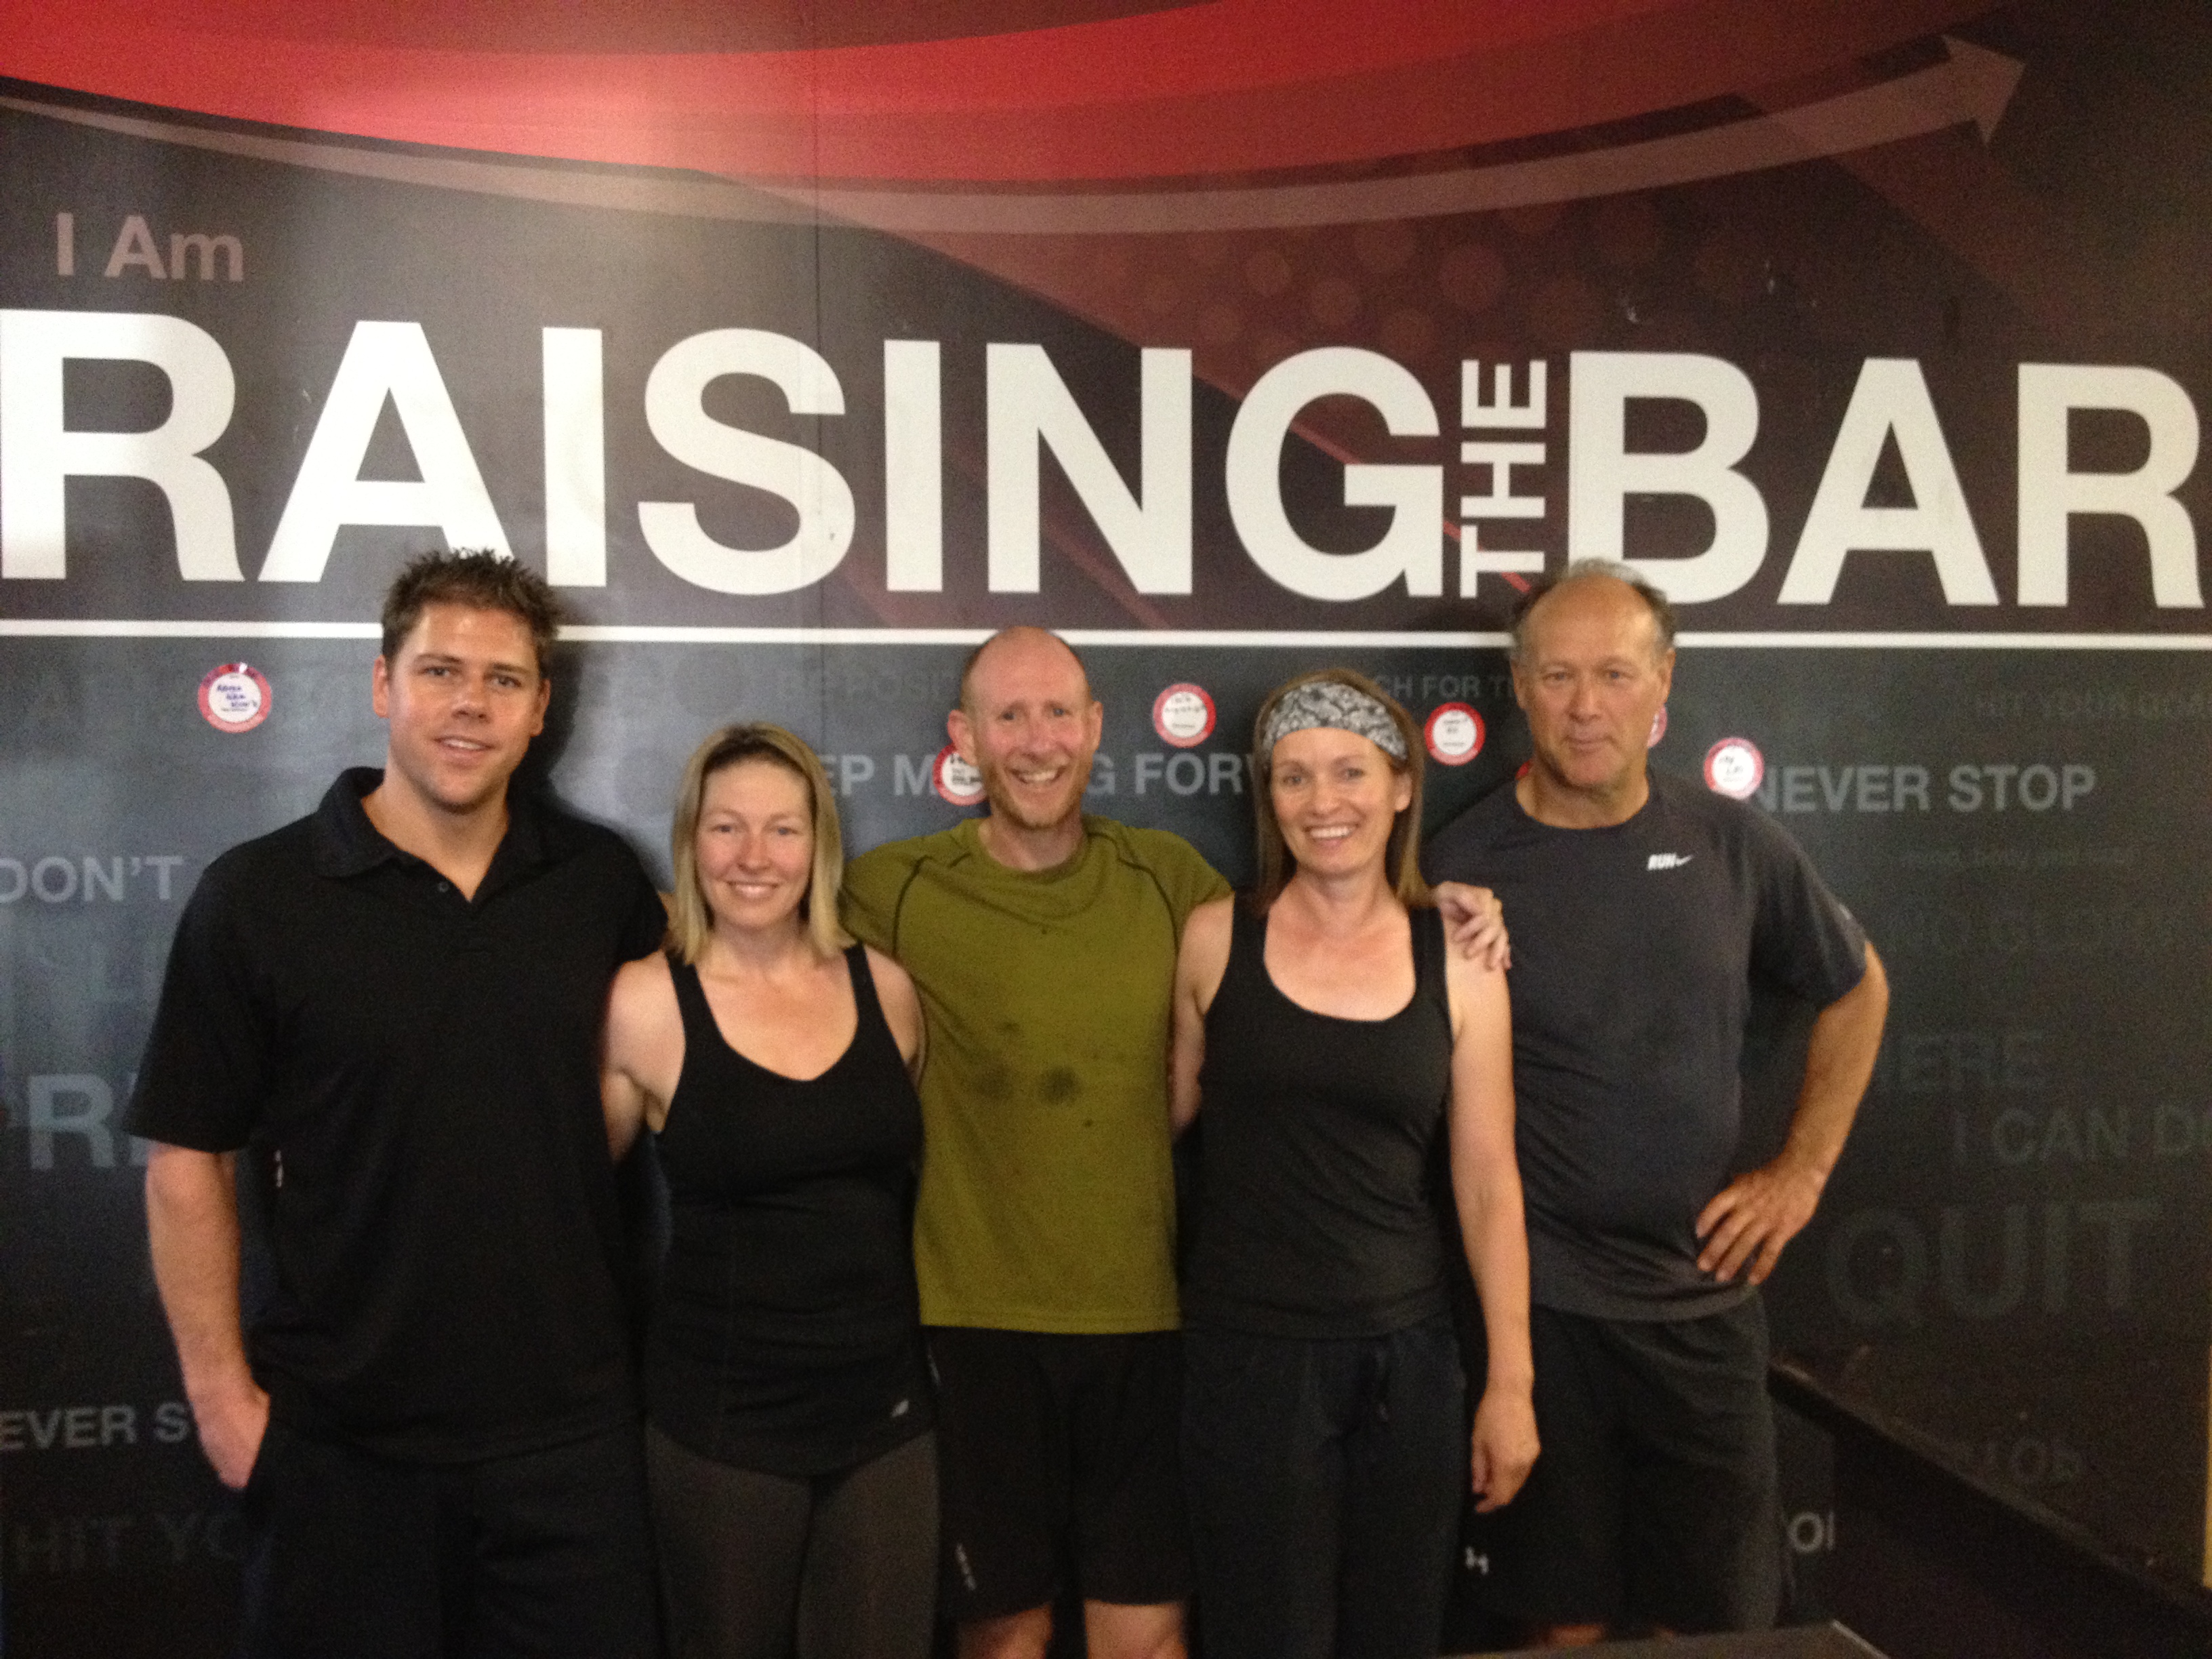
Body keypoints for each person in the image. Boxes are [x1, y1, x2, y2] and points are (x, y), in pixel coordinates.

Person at [840, 627, 1509, 1659]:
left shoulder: (1171, 883)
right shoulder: (891, 888)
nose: (1036, 741)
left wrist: (1447, 906)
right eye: (1008, 716)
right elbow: (754, 928)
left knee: (1156, 1640)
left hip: (1155, 1323)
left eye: (1058, 713)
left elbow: (1324, 917)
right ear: (963, 738)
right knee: (1006, 1637)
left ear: (1095, 728)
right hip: (979, 1324)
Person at [129, 550, 666, 1658]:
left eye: (503, 680)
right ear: (383, 684)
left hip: (567, 1448)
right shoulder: (259, 896)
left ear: (540, 708)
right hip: (342, 1450)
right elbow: (186, 1158)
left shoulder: (600, 884)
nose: (471, 704)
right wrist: (224, 1407)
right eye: (440, 671)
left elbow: (643, 1092)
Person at [1423, 560, 1890, 1643]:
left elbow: (1858, 987)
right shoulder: (1462, 862)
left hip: (1702, 1313)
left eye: (1615, 675)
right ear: (1521, 687)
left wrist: (1802, 1171)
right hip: (1541, 1320)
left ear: (1663, 682)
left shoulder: (1732, 841)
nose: (1586, 706)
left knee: (1717, 1632)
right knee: (1561, 1631)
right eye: (1558, 676)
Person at [1168, 670, 1539, 1659]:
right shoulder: (1213, 938)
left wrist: (1511, 1385)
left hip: (1407, 1360)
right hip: (1248, 1357)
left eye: (1349, 772)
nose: (1322, 801)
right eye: (1293, 777)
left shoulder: (1462, 954)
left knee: (1398, 1636)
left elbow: (1489, 1182)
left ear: (1403, 785)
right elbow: (1156, 1119)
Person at [600, 724, 936, 1659]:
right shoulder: (643, 1003)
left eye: (783, 830)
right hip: (723, 1428)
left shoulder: (887, 989)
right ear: (690, 840)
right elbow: (566, 1200)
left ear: (818, 844)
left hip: (886, 1420)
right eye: (727, 828)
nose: (754, 857)